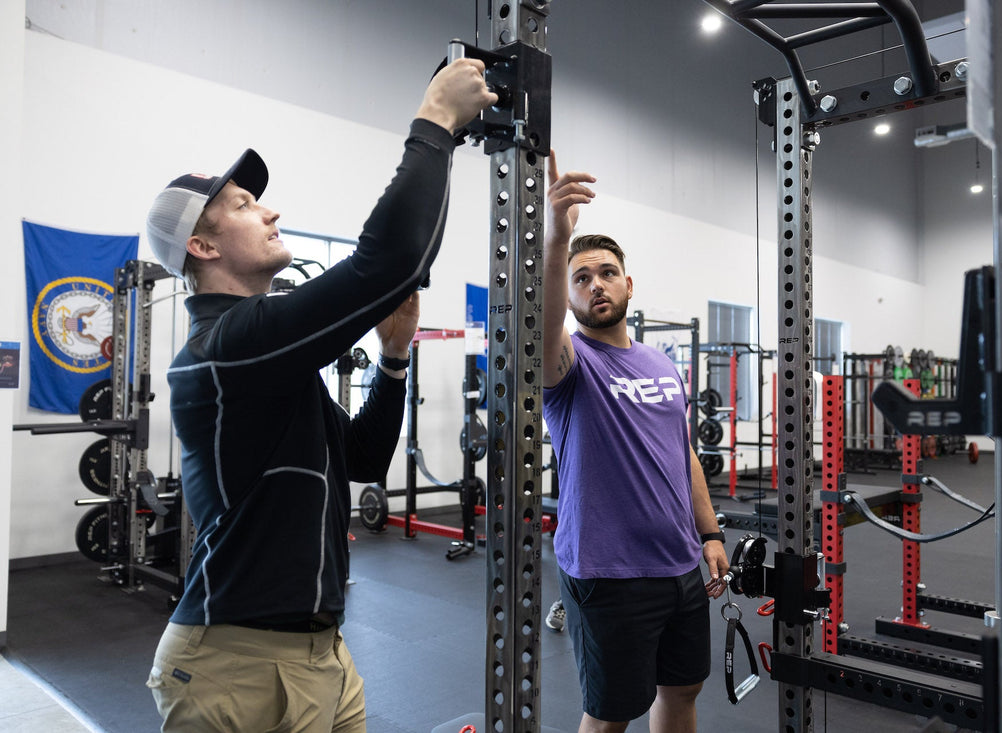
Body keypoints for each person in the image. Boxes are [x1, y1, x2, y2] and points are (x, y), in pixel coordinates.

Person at [142, 59, 496, 733]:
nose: (269, 207)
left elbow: (360, 456)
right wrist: (435, 123)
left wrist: (393, 357)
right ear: (201, 243)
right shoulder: (225, 348)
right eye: (244, 205)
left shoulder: (269, 363)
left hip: (325, 655)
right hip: (232, 666)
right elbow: (387, 261)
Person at [541, 151, 730, 733]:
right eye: (581, 278)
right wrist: (554, 242)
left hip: (678, 566)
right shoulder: (570, 364)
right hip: (608, 574)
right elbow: (541, 325)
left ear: (628, 283)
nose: (595, 285)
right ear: (569, 296)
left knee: (681, 692)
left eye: (605, 273)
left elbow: (684, 454)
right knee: (610, 716)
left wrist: (710, 532)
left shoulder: (662, 363)